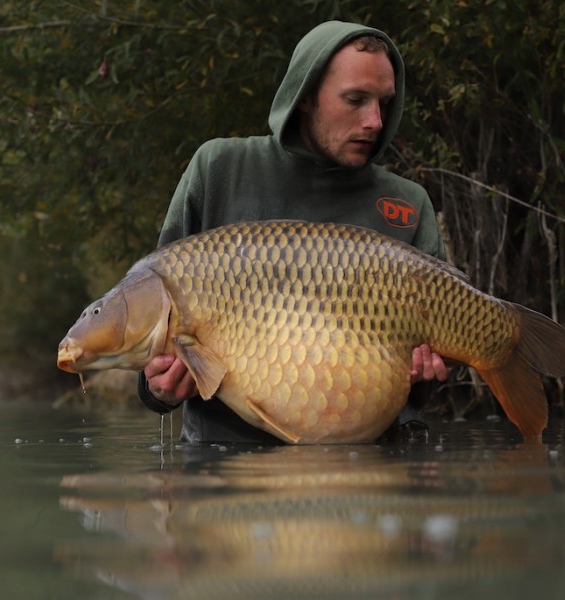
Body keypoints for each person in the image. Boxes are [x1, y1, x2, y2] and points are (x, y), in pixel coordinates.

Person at [138, 20, 448, 444]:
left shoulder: (407, 204)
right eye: (355, 100)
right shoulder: (218, 170)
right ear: (304, 97)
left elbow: (428, 381)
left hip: (363, 475)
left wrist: (427, 376)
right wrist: (157, 389)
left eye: (384, 102)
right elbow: (150, 318)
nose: (375, 121)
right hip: (220, 472)